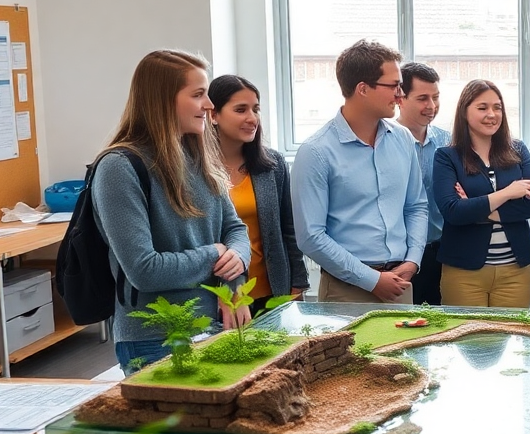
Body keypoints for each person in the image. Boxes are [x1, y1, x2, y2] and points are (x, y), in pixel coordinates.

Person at [92, 50, 250, 373]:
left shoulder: (199, 155)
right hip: (153, 340)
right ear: (163, 101)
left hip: (215, 327)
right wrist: (215, 255)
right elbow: (144, 270)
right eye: (198, 95)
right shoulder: (118, 169)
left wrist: (235, 266)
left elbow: (235, 230)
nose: (209, 105)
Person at [291, 40, 428, 304]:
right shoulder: (316, 152)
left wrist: (413, 260)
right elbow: (311, 237)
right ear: (363, 89)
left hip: (400, 282)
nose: (401, 95)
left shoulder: (403, 139)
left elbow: (416, 206)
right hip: (347, 288)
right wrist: (371, 280)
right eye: (394, 86)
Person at [432, 80, 530, 307]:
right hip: (464, 271)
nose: (491, 114)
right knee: (470, 340)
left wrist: (478, 208)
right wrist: (508, 193)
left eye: (497, 107)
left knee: (511, 337)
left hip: (515, 270)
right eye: (482, 108)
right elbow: (452, 211)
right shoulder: (446, 156)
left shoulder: (518, 150)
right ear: (464, 112)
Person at [208, 75, 309, 315]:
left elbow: (289, 229)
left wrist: (298, 283)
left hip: (273, 291)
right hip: (221, 296)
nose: (252, 118)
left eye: (256, 109)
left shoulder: (272, 164)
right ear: (213, 115)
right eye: (240, 110)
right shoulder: (194, 170)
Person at [396, 62, 450, 306]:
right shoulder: (386, 140)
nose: (432, 106)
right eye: (422, 98)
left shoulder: (446, 141)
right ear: (400, 98)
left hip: (443, 249)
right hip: (401, 254)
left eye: (436, 97)